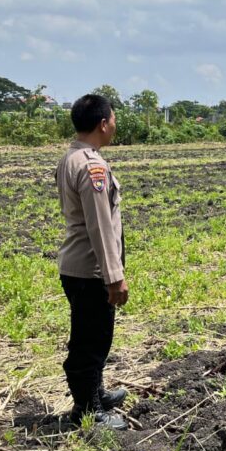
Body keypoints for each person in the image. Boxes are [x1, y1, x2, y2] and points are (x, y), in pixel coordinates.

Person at [55, 94, 130, 430]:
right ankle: (87, 411)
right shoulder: (92, 166)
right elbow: (100, 226)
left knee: (94, 336)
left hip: (78, 267)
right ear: (103, 123)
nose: (115, 124)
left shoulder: (72, 157)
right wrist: (114, 277)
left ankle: (95, 392)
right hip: (90, 269)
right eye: (113, 119)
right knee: (91, 340)